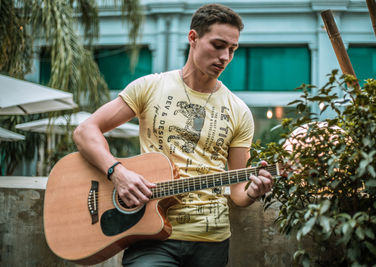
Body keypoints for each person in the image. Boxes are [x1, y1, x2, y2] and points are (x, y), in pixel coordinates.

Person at [73, 3, 273, 267]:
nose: (225, 56)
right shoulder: (150, 86)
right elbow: (85, 130)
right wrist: (118, 173)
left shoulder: (239, 111)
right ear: (193, 38)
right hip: (149, 234)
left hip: (211, 240)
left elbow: (238, 190)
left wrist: (253, 191)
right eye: (218, 45)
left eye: (232, 49)